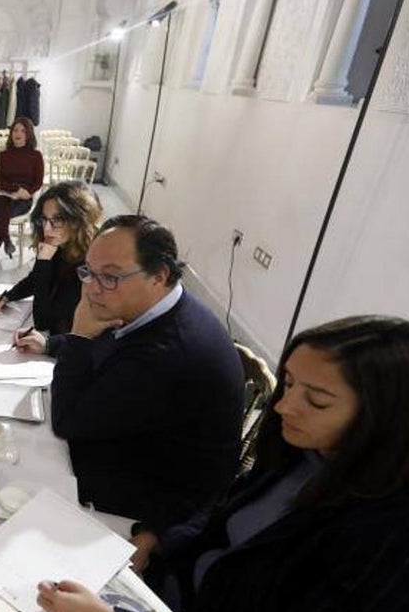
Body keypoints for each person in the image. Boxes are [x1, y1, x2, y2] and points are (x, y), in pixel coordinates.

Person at [37, 316, 409, 612]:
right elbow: (223, 517)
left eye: (316, 400)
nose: (284, 406)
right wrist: (155, 539)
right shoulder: (305, 454)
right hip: (165, 604)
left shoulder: (404, 539)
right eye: (289, 383)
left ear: (387, 418)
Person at [15, 215, 243, 532]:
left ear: (158, 275)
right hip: (130, 442)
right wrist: (53, 343)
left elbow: (67, 421)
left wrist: (78, 337)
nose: (93, 289)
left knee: (13, 466)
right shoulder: (153, 305)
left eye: (109, 277)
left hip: (147, 499)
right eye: (89, 272)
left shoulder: (167, 353)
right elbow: (111, 339)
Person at [0, 182, 102, 334]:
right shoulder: (61, 242)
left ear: (77, 221)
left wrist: (43, 261)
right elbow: (36, 279)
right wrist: (8, 297)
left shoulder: (89, 266)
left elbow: (42, 321)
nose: (47, 228)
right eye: (44, 219)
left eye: (57, 220)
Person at [0, 116, 44, 273]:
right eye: (15, 130)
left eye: (23, 131)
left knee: (1, 213)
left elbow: (38, 182)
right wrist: (14, 190)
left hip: (22, 199)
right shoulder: (2, 156)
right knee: (0, 203)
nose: (18, 133)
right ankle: (6, 240)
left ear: (29, 134)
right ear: (11, 133)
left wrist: (27, 192)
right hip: (2, 195)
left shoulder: (36, 156)